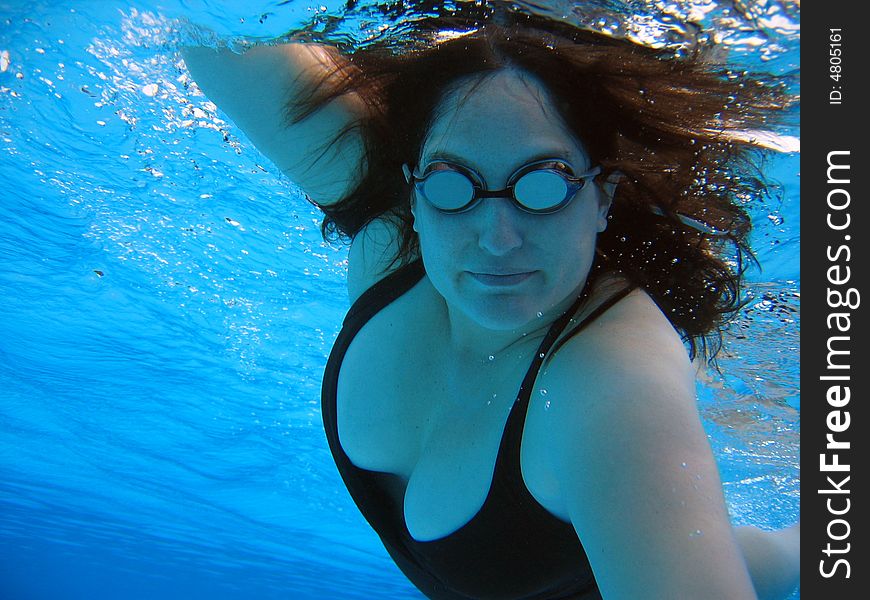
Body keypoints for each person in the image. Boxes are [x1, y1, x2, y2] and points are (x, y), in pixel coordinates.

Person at [182, 9, 799, 599]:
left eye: (544, 185)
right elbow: (206, 27)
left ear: (602, 198)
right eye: (454, 184)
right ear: (414, 193)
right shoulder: (394, 230)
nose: (497, 238)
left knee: (794, 557)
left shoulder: (610, 380)